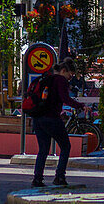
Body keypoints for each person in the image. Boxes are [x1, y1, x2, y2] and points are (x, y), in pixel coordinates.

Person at [32, 59, 85, 188]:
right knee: (66, 146)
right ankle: (59, 176)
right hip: (51, 118)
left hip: (38, 118)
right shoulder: (60, 80)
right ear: (63, 71)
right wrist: (80, 106)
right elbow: (65, 98)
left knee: (43, 150)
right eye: (70, 75)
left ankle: (37, 179)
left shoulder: (46, 78)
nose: (70, 78)